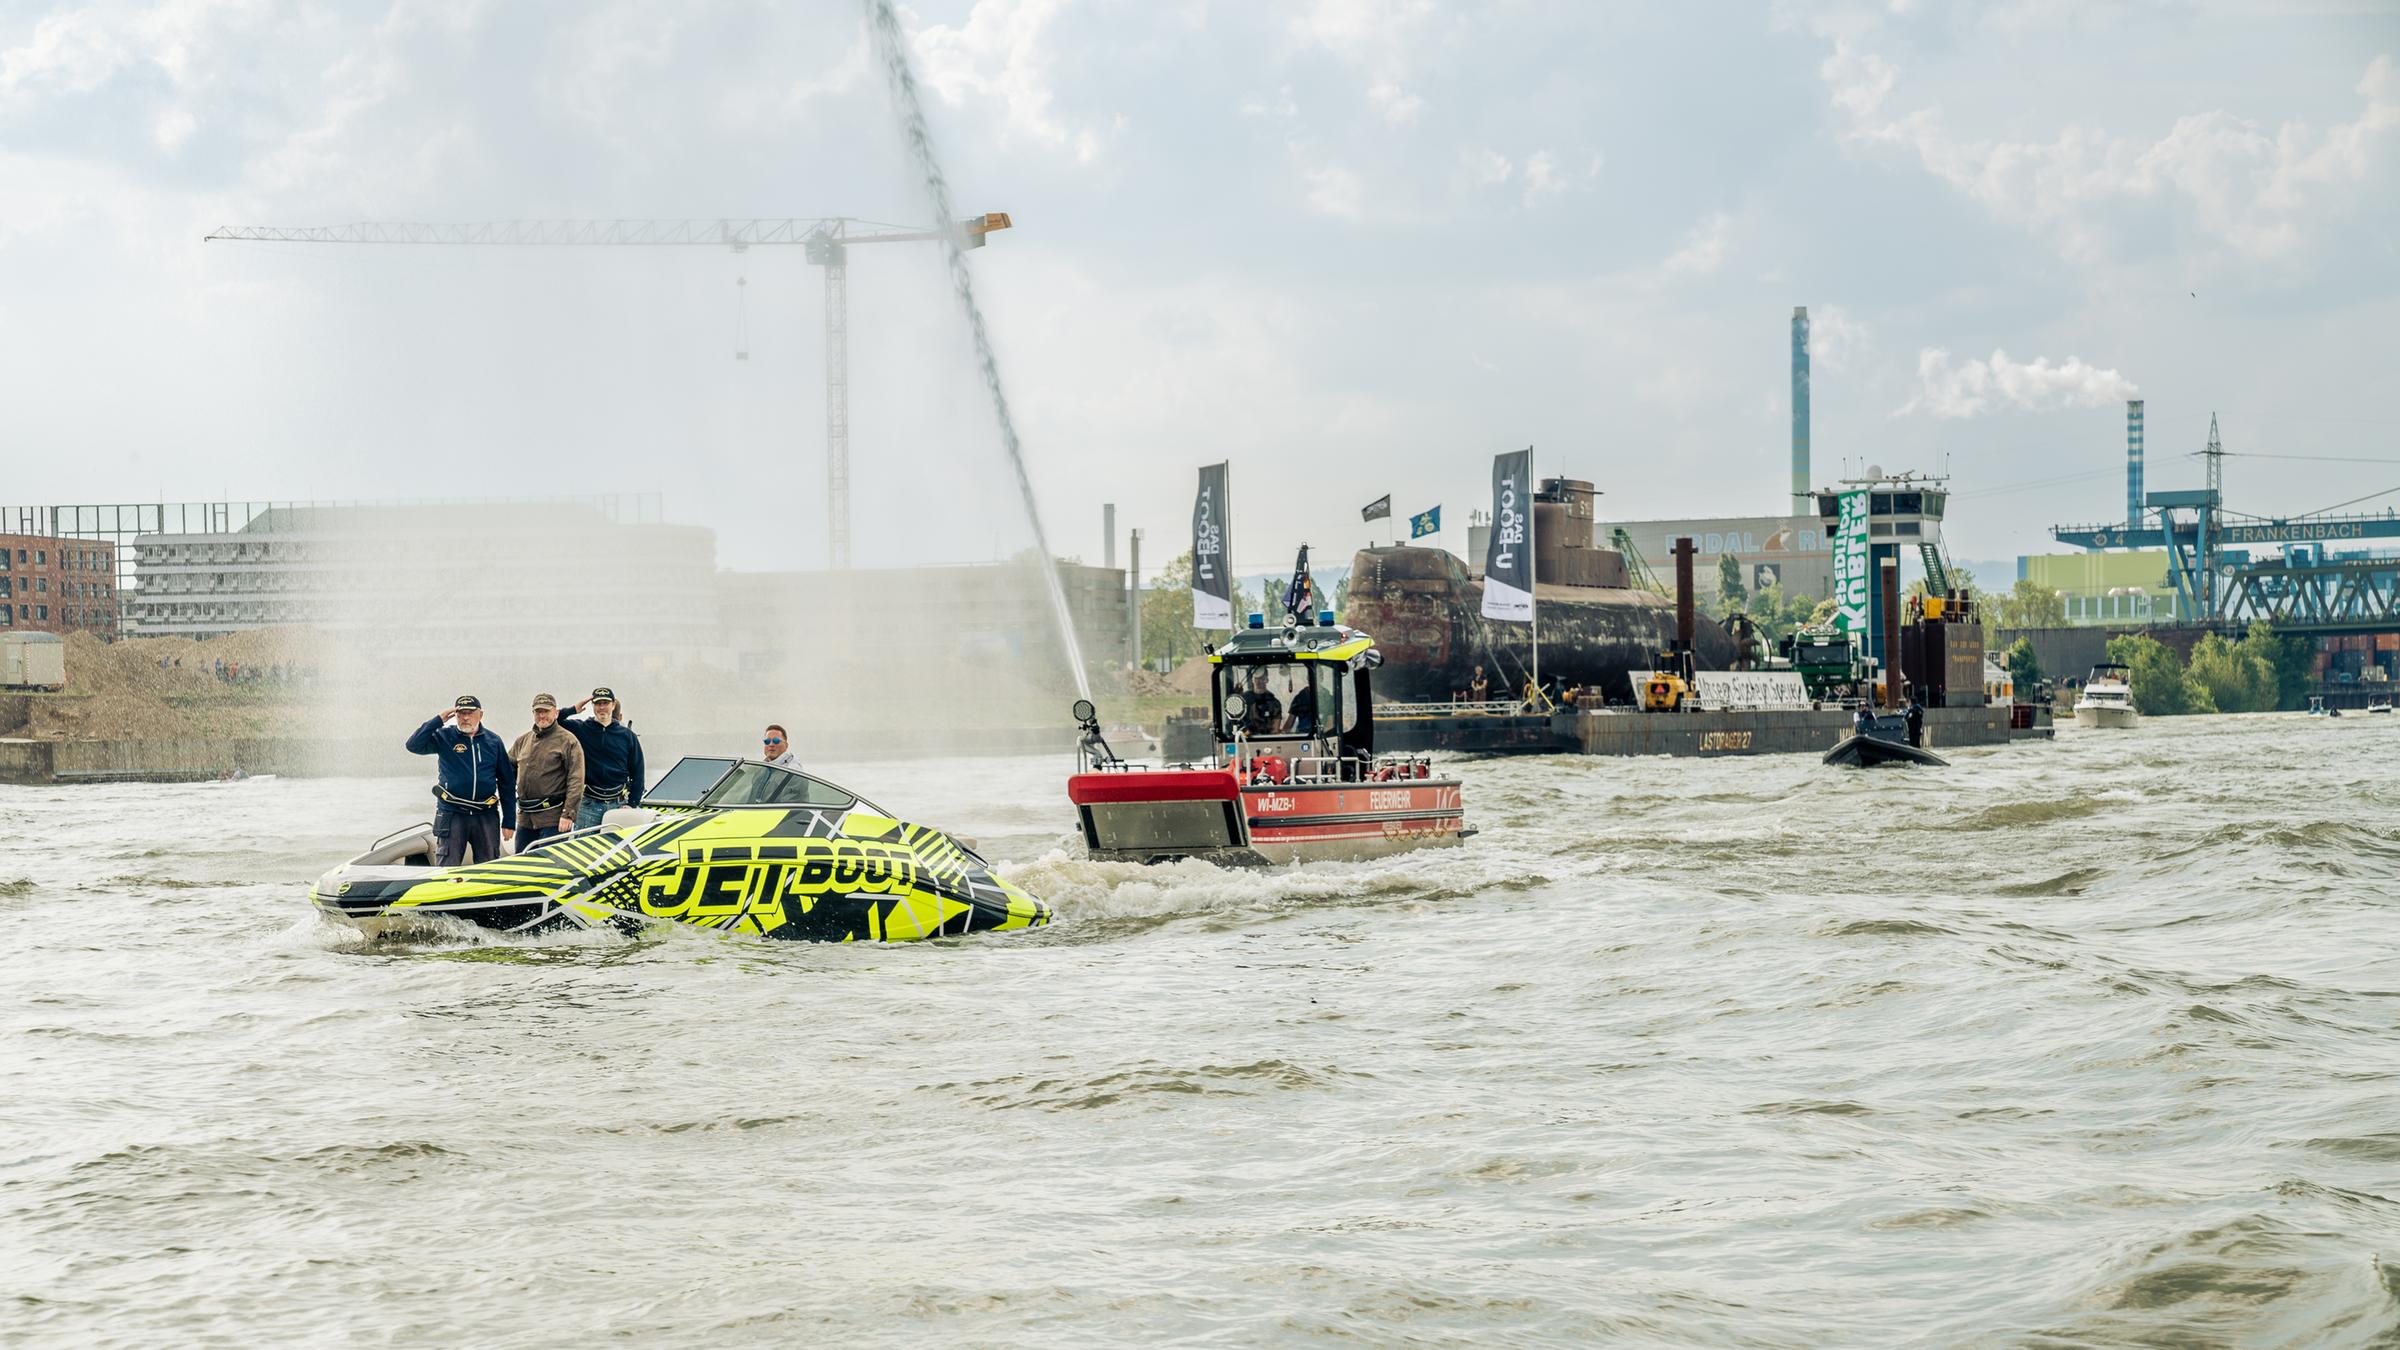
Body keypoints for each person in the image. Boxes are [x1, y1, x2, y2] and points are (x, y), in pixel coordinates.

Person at [405, 695, 516, 866]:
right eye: (461, 713)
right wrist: (438, 719)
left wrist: (509, 820)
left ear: (480, 714)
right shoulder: (444, 737)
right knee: (447, 867)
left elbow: (506, 782)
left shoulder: (493, 741)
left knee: (489, 866)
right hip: (452, 813)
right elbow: (413, 745)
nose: (465, 717)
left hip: (485, 814)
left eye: (470, 713)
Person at [556, 685, 645, 829]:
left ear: (613, 705)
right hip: (588, 805)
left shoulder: (628, 736)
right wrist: (573, 709)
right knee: (583, 850)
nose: (602, 707)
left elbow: (638, 772)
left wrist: (632, 804)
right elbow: (553, 720)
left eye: (605, 703)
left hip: (619, 806)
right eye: (598, 703)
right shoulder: (582, 729)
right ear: (592, 706)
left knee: (619, 850)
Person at [510, 693, 584, 848]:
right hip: (525, 818)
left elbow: (576, 780)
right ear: (533, 714)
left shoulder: (569, 741)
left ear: (556, 713)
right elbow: (506, 771)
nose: (542, 715)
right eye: (538, 712)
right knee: (522, 866)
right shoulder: (522, 741)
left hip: (554, 819)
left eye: (546, 711)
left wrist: (568, 814)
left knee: (550, 868)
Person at [1236, 668, 1282, 735]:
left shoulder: (1274, 703)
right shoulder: (1243, 700)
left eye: (1262, 678)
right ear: (1252, 679)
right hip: (1245, 739)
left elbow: (1275, 729)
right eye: (1256, 678)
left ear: (1267, 680)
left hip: (1266, 739)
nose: (1259, 681)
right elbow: (1236, 721)